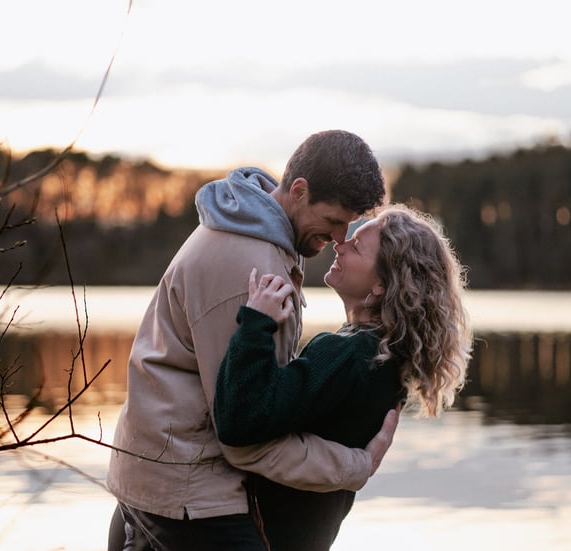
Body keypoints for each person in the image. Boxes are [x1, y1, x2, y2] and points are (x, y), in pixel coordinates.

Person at [106, 130, 396, 550]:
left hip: (166, 478)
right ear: (299, 190)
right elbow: (245, 435)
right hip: (188, 493)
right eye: (333, 221)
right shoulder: (251, 270)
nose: (337, 238)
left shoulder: (259, 237)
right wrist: (357, 464)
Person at [213, 203, 473, 550]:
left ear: (380, 284)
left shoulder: (346, 355)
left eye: (356, 246)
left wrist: (256, 323)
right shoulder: (386, 360)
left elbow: (238, 421)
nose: (340, 244)